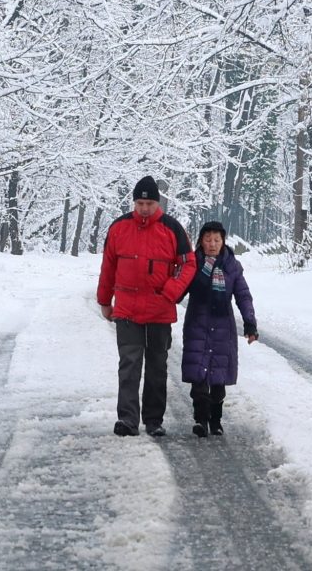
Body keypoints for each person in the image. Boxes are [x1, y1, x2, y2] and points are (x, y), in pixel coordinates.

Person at [95, 176, 192, 437]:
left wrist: (170, 292)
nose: (144, 208)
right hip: (127, 310)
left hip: (160, 311)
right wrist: (104, 301)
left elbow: (187, 264)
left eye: (149, 203)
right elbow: (108, 267)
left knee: (157, 367)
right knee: (129, 365)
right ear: (134, 202)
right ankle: (127, 420)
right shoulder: (118, 228)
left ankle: (153, 420)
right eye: (139, 202)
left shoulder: (173, 228)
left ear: (157, 203)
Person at [179, 221, 256, 436]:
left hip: (223, 328)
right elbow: (178, 290)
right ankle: (201, 420)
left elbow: (243, 296)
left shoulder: (232, 266)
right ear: (201, 241)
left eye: (216, 240)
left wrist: (250, 323)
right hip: (197, 325)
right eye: (208, 239)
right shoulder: (192, 264)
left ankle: (216, 420)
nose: (212, 244)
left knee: (218, 379)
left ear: (223, 241)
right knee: (199, 377)